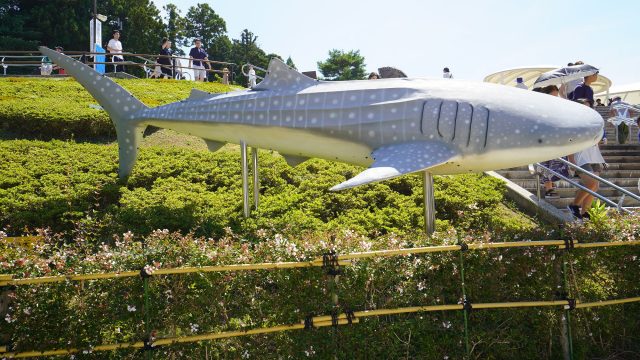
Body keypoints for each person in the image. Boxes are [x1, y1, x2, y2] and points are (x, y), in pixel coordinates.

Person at [567, 72, 607, 220]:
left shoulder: (593, 123)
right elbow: (569, 143)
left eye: (589, 106)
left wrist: (601, 158)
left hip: (594, 157)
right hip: (581, 157)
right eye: (585, 107)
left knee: (595, 187)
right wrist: (571, 161)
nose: (588, 109)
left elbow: (597, 142)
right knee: (590, 184)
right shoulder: (574, 124)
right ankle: (574, 205)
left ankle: (584, 212)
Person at [533, 85, 567, 198]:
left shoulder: (556, 108)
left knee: (554, 163)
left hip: (555, 139)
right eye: (553, 95)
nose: (555, 98)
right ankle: (549, 188)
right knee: (545, 164)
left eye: (556, 96)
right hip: (542, 139)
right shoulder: (538, 108)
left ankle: (550, 186)